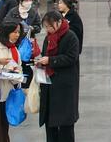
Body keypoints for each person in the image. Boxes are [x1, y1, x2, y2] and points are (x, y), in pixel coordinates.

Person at [36, 11, 81, 142]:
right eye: (46, 27)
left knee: (65, 124)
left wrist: (50, 60)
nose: (48, 29)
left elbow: (71, 58)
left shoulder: (71, 36)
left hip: (65, 86)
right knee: (50, 123)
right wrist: (41, 61)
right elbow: (45, 54)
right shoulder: (48, 38)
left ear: (59, 22)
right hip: (49, 85)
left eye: (50, 26)